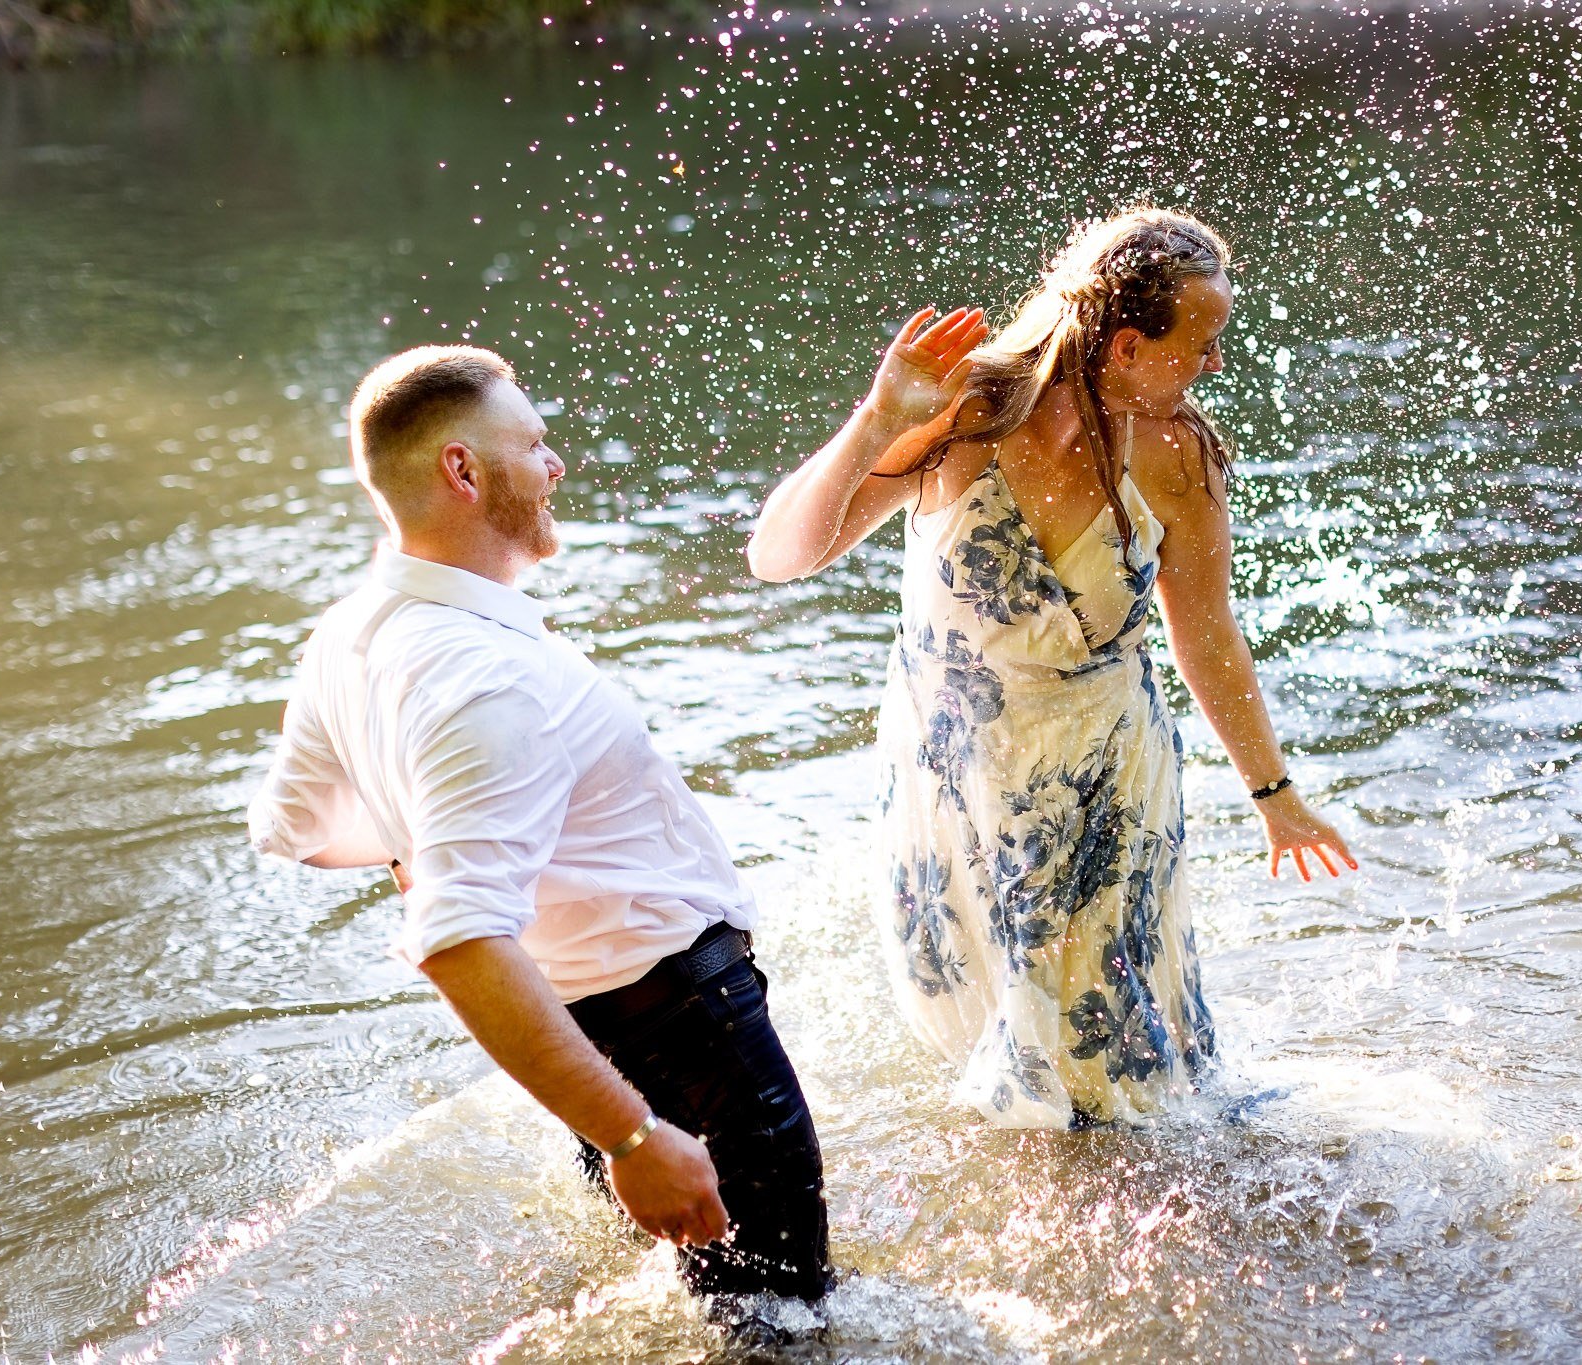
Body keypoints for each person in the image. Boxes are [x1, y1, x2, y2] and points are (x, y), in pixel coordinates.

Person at [746, 208, 1358, 1128]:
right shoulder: (966, 411)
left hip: (1109, 781)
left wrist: (1275, 795)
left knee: (1118, 1074)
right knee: (995, 1054)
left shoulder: (1178, 452)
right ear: (1127, 346)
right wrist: (876, 423)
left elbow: (1207, 634)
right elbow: (779, 557)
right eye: (1200, 345)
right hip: (962, 786)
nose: (1214, 365)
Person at [248, 345, 830, 1302]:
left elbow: (297, 829)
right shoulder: (486, 678)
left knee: (727, 1311)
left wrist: (424, 840)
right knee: (791, 1325)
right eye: (533, 444)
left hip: (598, 1038)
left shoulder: (348, 634)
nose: (557, 464)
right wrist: (633, 1138)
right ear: (463, 470)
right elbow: (459, 938)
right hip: (686, 1047)